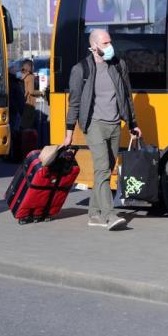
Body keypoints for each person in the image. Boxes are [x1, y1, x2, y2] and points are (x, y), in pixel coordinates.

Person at [62, 29, 141, 231]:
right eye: (105, 43)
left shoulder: (118, 65)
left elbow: (127, 97)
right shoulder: (81, 70)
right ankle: (109, 215)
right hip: (94, 124)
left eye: (110, 42)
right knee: (103, 168)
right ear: (94, 46)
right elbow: (75, 103)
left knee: (106, 170)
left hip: (115, 125)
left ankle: (93, 214)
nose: (110, 46)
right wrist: (69, 131)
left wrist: (132, 124)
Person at [19, 59, 43, 129]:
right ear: (30, 67)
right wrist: (41, 92)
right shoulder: (30, 77)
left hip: (24, 102)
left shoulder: (23, 75)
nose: (34, 68)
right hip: (30, 103)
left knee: (24, 124)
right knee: (29, 125)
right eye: (33, 66)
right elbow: (31, 91)